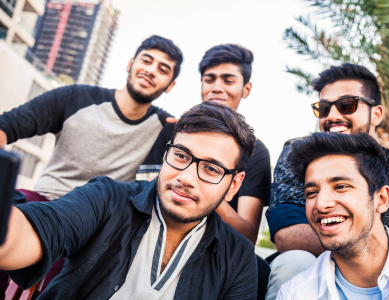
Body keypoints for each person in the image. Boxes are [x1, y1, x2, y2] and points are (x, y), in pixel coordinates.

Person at [0, 101, 258, 300]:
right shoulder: (107, 199)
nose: (187, 177)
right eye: (180, 155)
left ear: (234, 184)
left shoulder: (238, 258)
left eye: (211, 169)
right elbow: (33, 231)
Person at [0, 35, 183, 296]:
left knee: (67, 280)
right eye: (147, 60)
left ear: (170, 85)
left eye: (163, 69)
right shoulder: (76, 97)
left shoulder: (166, 130)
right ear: (131, 63)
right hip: (44, 198)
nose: (152, 70)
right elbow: (6, 126)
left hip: (95, 223)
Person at [265, 63, 389, 299]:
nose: (333, 116)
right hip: (315, 273)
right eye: (324, 108)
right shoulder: (300, 155)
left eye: (347, 105)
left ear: (376, 114)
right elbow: (287, 235)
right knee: (295, 260)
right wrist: (361, 240)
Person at [143, 44, 271, 299]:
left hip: (210, 252)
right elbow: (141, 194)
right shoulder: (174, 133)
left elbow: (247, 236)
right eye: (209, 79)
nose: (217, 87)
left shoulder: (257, 154)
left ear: (246, 88)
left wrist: (211, 187)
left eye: (228, 79)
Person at [277, 132, 389, 299]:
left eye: (341, 186)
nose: (321, 204)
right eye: (312, 192)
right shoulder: (295, 294)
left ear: (381, 199)